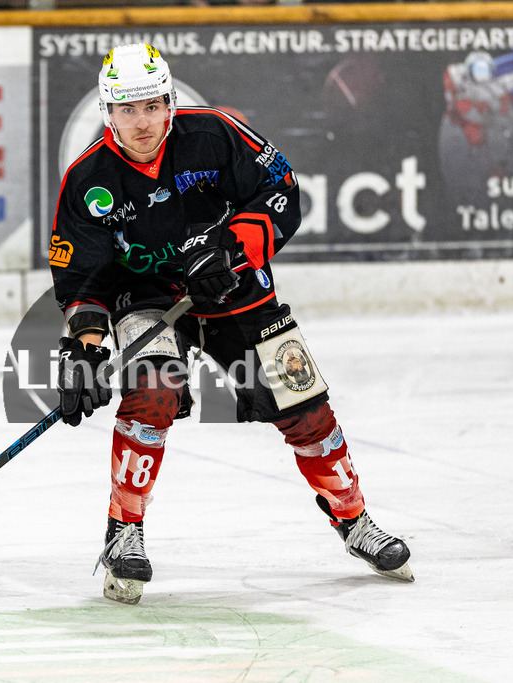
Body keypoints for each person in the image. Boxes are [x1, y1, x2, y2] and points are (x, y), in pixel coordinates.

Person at [49, 43, 412, 605]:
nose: (141, 122)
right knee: (152, 394)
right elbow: (83, 278)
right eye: (126, 110)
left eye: (151, 106)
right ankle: (124, 531)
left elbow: (283, 189)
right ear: (106, 113)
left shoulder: (216, 133)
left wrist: (237, 249)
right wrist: (88, 348)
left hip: (235, 287)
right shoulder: (87, 179)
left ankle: (354, 518)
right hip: (148, 298)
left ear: (170, 102)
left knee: (305, 406)